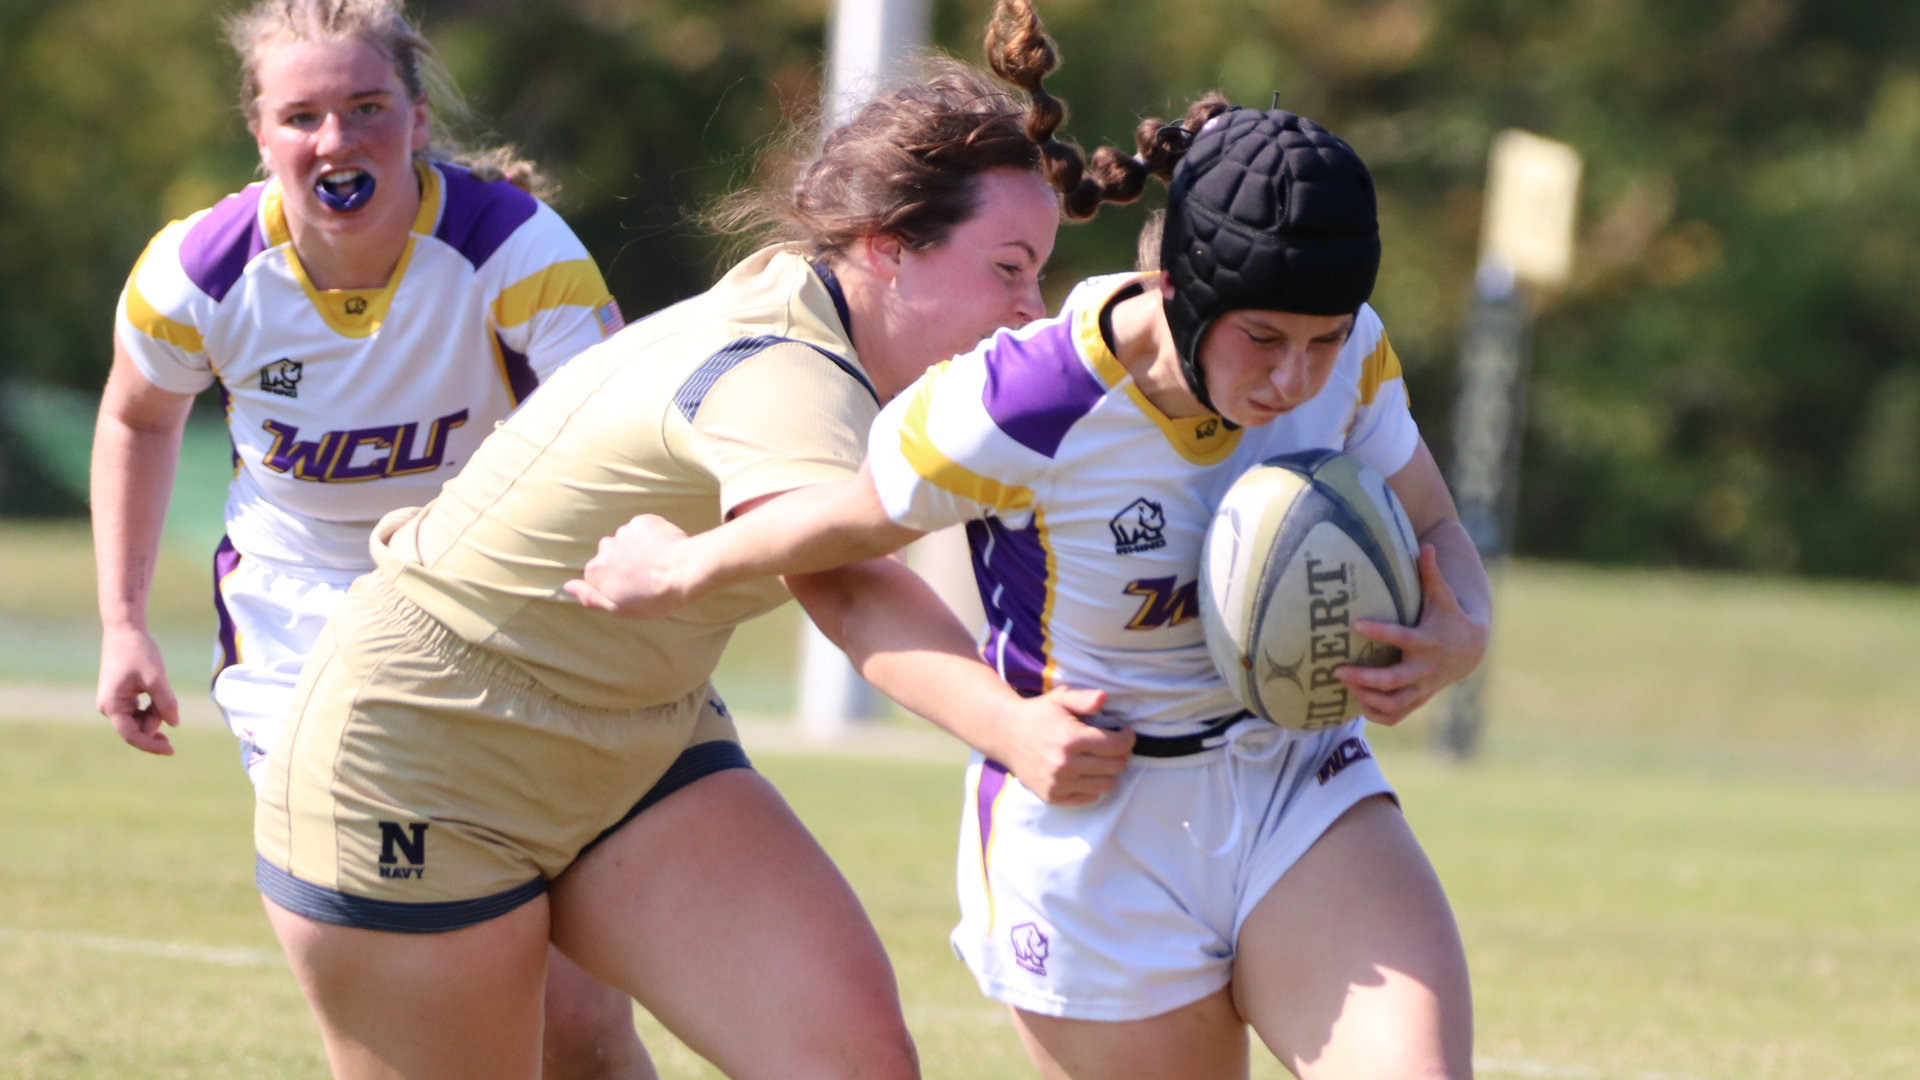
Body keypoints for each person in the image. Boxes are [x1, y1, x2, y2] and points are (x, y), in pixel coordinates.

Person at [246, 2, 1124, 1076]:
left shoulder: (843, 334)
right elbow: (843, 583)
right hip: (425, 755)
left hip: (640, 743)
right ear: (889, 251)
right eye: (1008, 268)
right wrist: (1013, 727)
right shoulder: (783, 369)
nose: (1031, 312)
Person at [570, 103, 1490, 1080]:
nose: (1294, 378)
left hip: (1297, 786)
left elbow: (1434, 526)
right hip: (1097, 833)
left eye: (1324, 339)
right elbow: (842, 535)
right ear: (1180, 290)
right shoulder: (1025, 398)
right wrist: (682, 566)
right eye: (1263, 338)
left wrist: (1462, 630)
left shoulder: (1349, 353)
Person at [89, 1, 654, 1076]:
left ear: (418, 120)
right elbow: (134, 416)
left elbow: (615, 434)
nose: (336, 140)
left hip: (494, 599)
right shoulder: (197, 274)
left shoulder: (511, 247)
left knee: (577, 1020)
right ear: (259, 136)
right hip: (298, 620)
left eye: (366, 108)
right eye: (300, 116)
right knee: (406, 986)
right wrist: (123, 624)